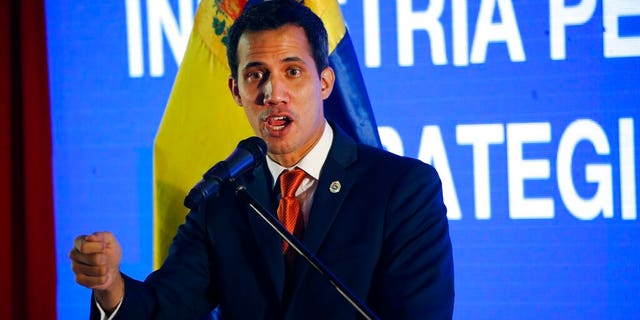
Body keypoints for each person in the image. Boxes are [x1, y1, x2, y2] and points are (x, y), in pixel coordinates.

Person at [69, 1, 454, 319]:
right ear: (236, 91)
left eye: (292, 71)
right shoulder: (221, 199)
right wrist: (110, 288)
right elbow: (165, 310)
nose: (273, 92)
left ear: (324, 83)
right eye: (257, 75)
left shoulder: (402, 189)